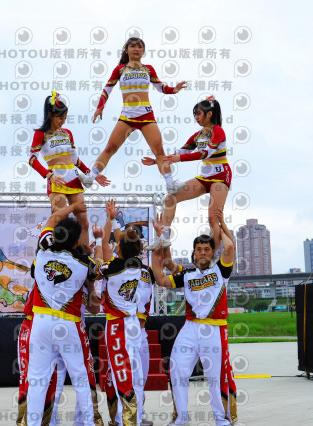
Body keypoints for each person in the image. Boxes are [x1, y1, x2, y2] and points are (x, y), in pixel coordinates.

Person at [151, 210, 238, 425]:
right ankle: (181, 417)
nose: (202, 253)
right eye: (199, 249)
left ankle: (222, 419)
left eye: (206, 249)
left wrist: (221, 223)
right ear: (194, 253)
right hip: (189, 328)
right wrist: (159, 243)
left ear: (212, 252)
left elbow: (229, 247)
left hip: (214, 329)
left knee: (215, 377)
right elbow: (161, 279)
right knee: (176, 370)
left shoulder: (221, 271)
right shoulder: (187, 274)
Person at [26, 201, 101, 426]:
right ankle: (89, 423)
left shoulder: (42, 251)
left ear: (55, 236)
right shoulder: (84, 263)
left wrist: (72, 207)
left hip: (40, 322)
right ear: (77, 242)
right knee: (80, 377)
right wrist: (94, 247)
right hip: (69, 324)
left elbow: (52, 219)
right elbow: (98, 269)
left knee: (37, 379)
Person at [83, 37, 187, 194]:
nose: (136, 49)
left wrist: (174, 89)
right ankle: (90, 177)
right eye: (132, 46)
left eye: (139, 46)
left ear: (143, 51)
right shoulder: (120, 70)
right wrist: (100, 108)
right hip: (127, 117)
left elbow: (161, 87)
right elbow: (107, 89)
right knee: (110, 147)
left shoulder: (148, 69)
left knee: (159, 151)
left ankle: (170, 184)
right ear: (126, 50)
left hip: (146, 116)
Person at [144, 96, 230, 260]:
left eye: (199, 114)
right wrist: (157, 161)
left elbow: (205, 153)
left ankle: (215, 257)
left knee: (213, 217)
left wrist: (180, 159)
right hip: (205, 177)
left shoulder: (218, 131)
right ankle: (164, 237)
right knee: (170, 198)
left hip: (220, 176)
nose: (196, 117)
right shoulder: (197, 136)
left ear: (209, 114)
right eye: (194, 114)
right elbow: (180, 153)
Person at [29, 91, 110, 248]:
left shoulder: (68, 134)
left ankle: (83, 255)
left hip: (73, 179)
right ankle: (58, 254)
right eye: (60, 118)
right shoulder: (41, 134)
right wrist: (49, 175)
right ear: (50, 115)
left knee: (84, 222)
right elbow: (32, 160)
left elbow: (75, 160)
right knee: (60, 221)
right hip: (56, 181)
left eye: (65, 118)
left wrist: (92, 175)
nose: (63, 121)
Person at [99, 199, 154, 426]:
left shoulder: (111, 268)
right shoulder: (138, 266)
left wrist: (109, 219)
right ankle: (136, 418)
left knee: (121, 373)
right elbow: (121, 241)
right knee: (135, 372)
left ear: (119, 248)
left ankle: (126, 421)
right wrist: (114, 221)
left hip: (117, 325)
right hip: (132, 325)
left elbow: (105, 242)